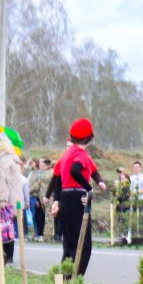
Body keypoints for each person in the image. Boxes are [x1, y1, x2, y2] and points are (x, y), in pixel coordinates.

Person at [50, 118, 103, 276]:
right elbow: (75, 170)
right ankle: (75, 281)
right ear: (89, 137)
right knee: (83, 245)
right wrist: (88, 188)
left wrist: (56, 200)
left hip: (65, 198)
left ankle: (64, 280)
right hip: (77, 198)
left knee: (69, 244)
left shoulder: (66, 155)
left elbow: (57, 179)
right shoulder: (81, 154)